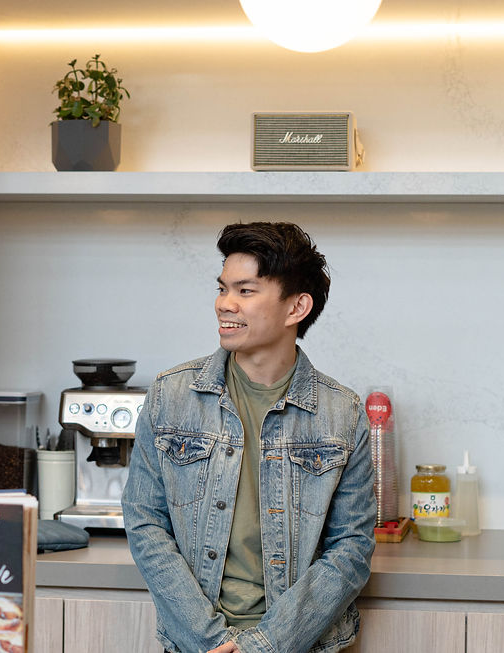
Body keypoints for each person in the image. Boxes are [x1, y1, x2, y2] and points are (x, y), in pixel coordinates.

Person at [123, 221, 376, 653]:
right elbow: (145, 521)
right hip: (196, 643)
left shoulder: (343, 413)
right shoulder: (171, 395)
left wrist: (265, 645)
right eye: (222, 289)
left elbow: (351, 548)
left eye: (245, 291)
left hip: (301, 643)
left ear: (296, 308)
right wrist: (210, 640)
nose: (224, 304)